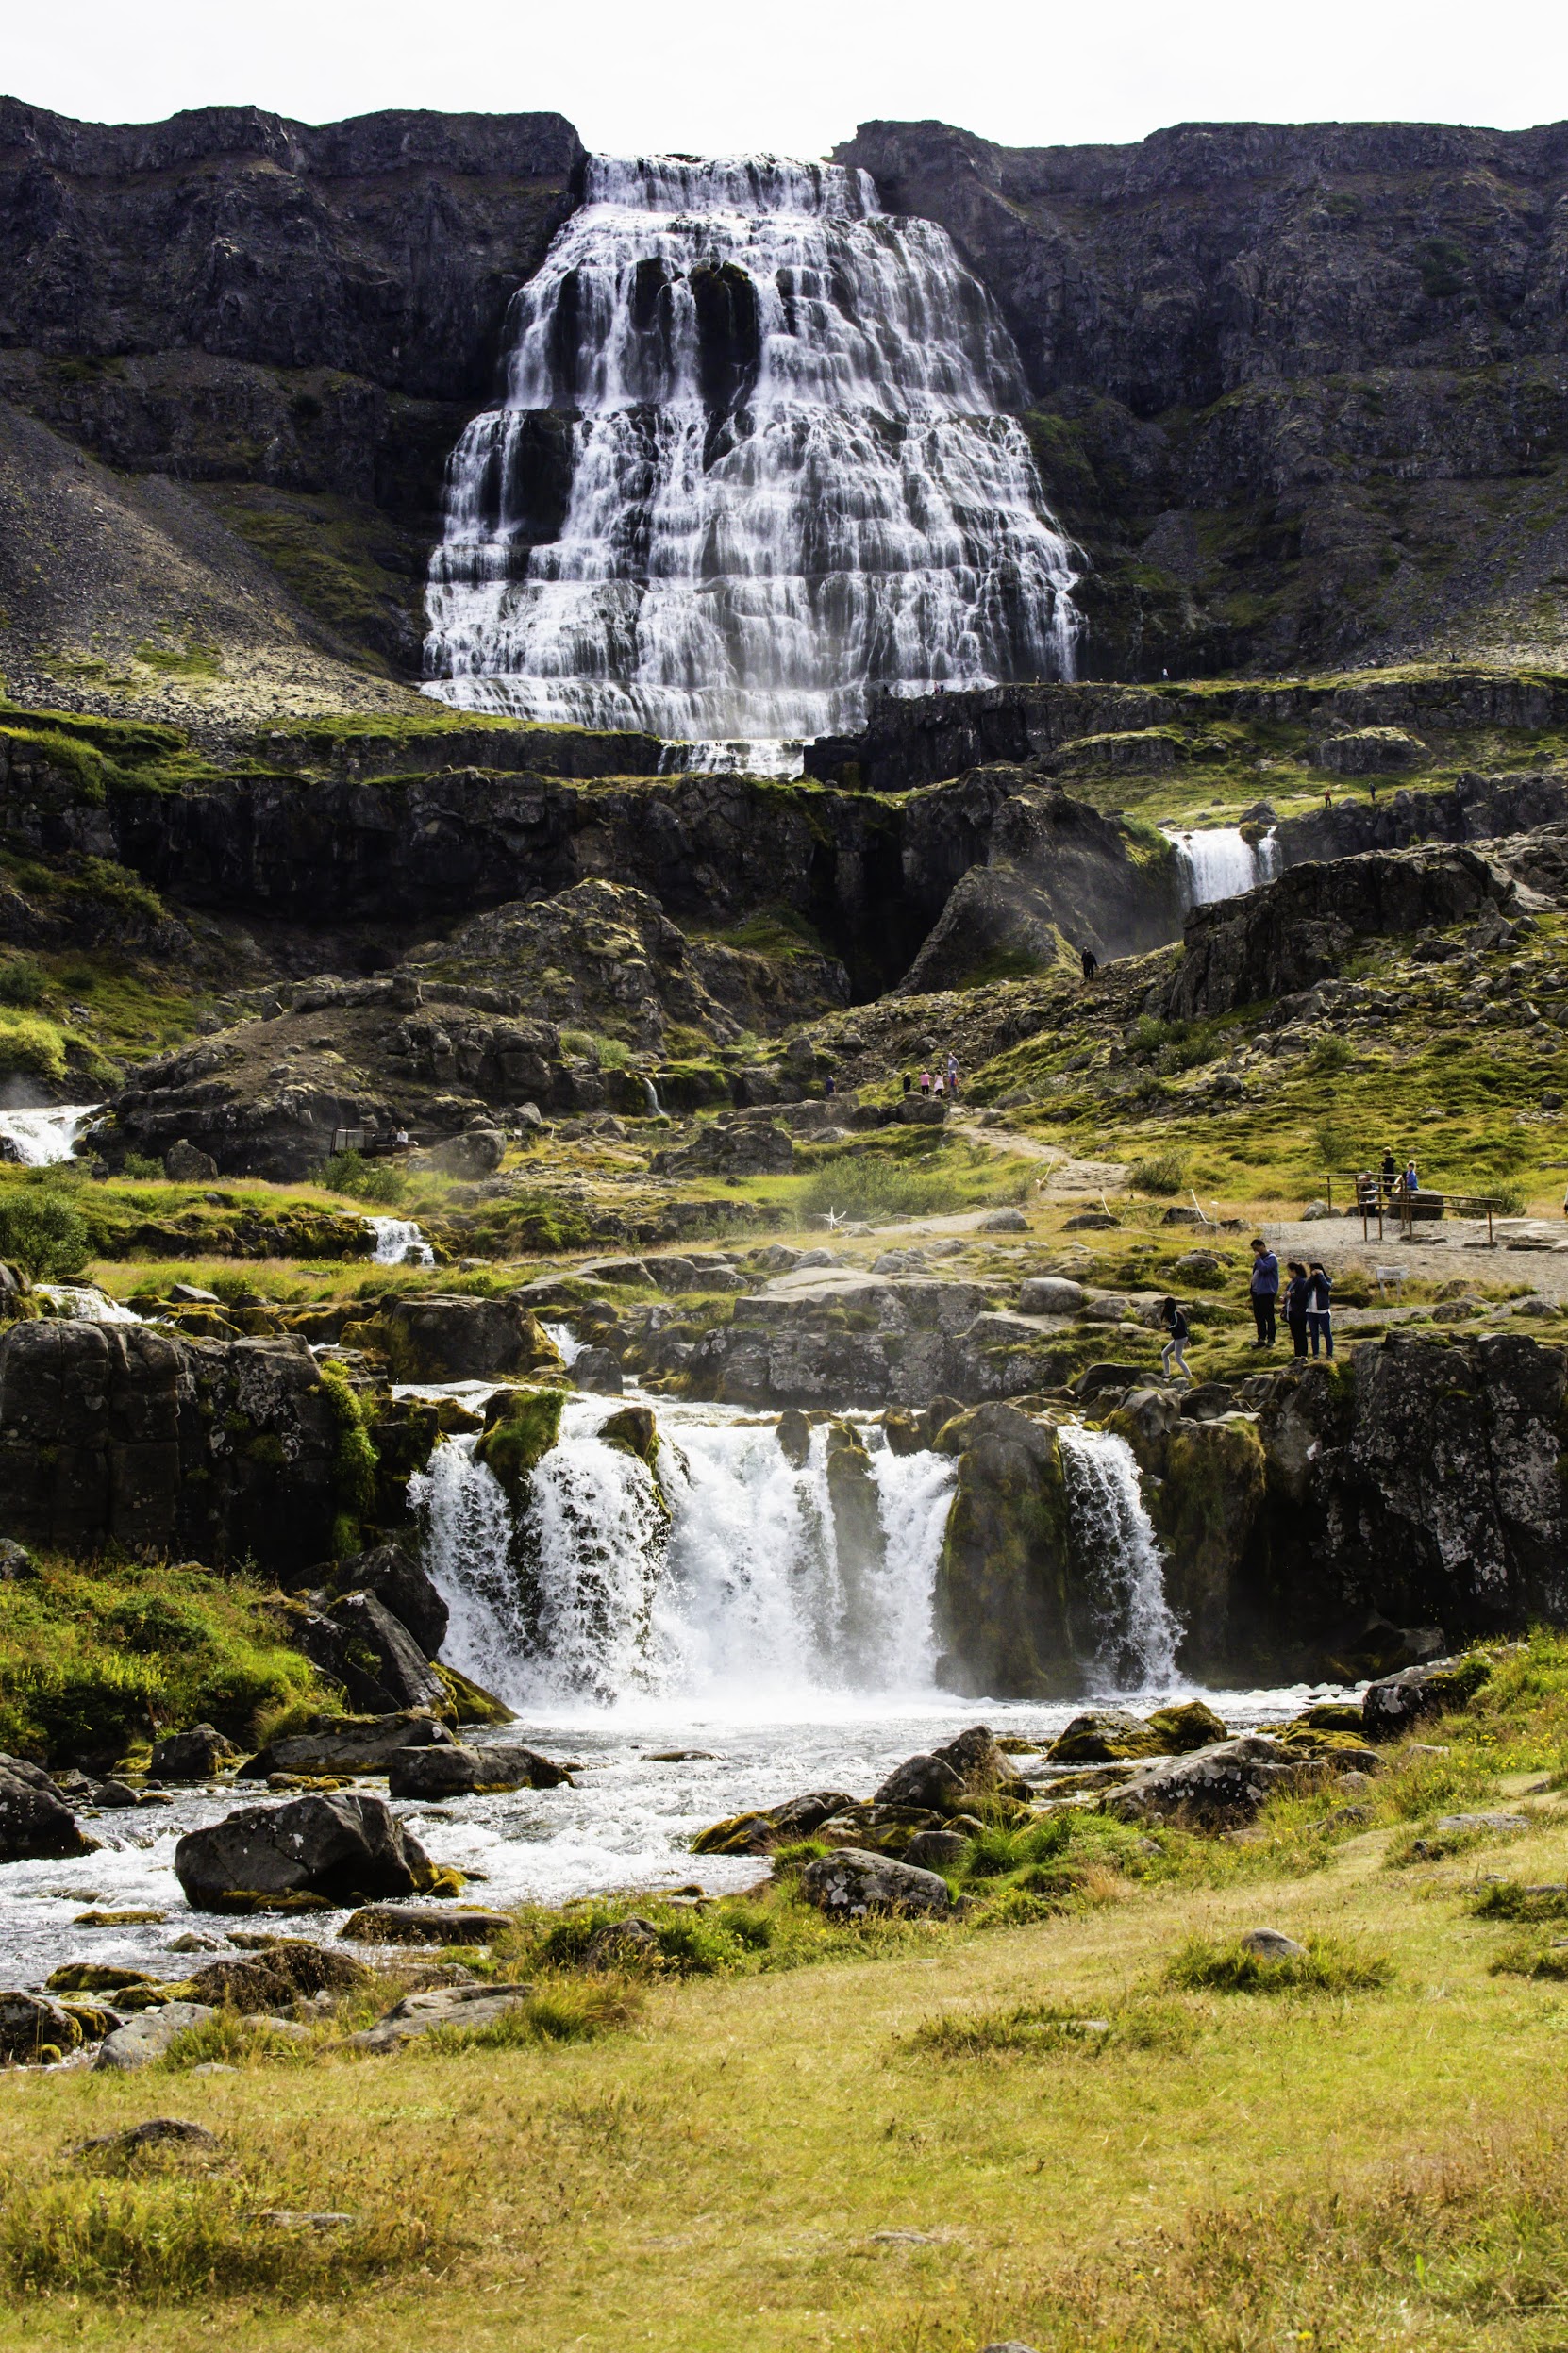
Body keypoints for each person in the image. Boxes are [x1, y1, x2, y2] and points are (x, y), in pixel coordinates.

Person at [1249, 1237, 1279, 1347]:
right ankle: (1261, 1339)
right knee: (1259, 1317)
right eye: (1254, 1250)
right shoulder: (1260, 1259)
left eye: (1257, 1249)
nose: (1256, 1252)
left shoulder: (1271, 1258)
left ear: (1262, 1246)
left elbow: (1264, 1269)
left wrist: (1258, 1259)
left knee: (1269, 1317)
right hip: (1257, 1292)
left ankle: (1271, 1339)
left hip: (1267, 1292)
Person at [1159, 1295, 1193, 1386]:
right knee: (1164, 1353)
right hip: (1179, 1338)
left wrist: (1167, 1329)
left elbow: (1176, 1325)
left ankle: (1189, 1375)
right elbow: (1183, 1327)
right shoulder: (1175, 1313)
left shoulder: (1175, 1313)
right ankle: (1167, 1374)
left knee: (1178, 1358)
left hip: (1180, 1338)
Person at [1282, 1260, 1311, 1359]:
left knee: (1301, 1335)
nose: (1288, 1273)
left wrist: (1291, 1296)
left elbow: (1303, 1298)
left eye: (1288, 1271)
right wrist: (1285, 1298)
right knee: (1295, 1335)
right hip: (1291, 1312)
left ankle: (1303, 1356)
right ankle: (1297, 1356)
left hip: (1300, 1313)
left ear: (1293, 1270)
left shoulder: (1302, 1282)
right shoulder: (1291, 1283)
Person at [1306, 1260, 1334, 1357]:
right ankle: (1315, 1354)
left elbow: (1327, 1287)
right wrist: (1312, 1277)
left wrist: (1321, 1276)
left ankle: (1329, 1353)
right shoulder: (1311, 1281)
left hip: (1323, 1311)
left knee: (1327, 1332)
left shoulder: (1327, 1279)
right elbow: (1305, 1288)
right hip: (1310, 1310)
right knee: (1314, 1334)